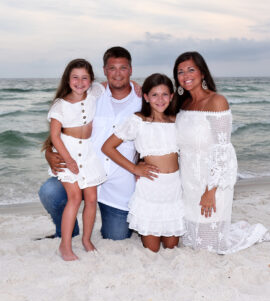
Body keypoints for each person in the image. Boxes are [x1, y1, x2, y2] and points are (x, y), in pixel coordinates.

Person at [39, 47, 142, 241]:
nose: (118, 73)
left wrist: (142, 164)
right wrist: (49, 153)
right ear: (104, 70)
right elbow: (62, 132)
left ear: (131, 70)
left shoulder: (142, 100)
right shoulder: (93, 94)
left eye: (123, 68)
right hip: (81, 171)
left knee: (117, 236)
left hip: (118, 185)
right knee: (50, 191)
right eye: (112, 68)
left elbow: (155, 132)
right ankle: (68, 233)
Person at [173, 51, 269, 254]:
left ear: (202, 73)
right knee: (191, 241)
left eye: (191, 69)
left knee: (210, 245)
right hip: (188, 178)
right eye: (180, 71)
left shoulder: (217, 102)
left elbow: (222, 150)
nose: (185, 75)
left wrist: (211, 190)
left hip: (211, 180)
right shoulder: (183, 104)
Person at [102, 73, 186, 252]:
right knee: (152, 249)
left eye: (165, 94)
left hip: (174, 188)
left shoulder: (177, 121)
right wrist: (134, 169)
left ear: (172, 96)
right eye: (154, 95)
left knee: (171, 247)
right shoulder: (138, 120)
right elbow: (108, 147)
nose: (160, 99)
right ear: (146, 97)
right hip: (150, 188)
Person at [47, 59, 107, 260]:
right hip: (68, 151)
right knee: (74, 198)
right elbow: (55, 136)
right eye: (75, 77)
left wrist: (133, 84)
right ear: (67, 79)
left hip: (88, 153)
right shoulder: (60, 105)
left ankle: (86, 240)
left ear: (90, 80)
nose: (80, 82)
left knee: (91, 200)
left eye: (84, 78)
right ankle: (65, 246)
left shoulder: (93, 93)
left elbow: (107, 84)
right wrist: (69, 160)